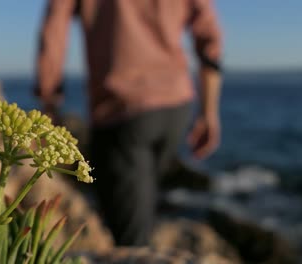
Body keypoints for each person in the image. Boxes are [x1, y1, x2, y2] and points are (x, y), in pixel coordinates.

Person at [35, 0, 222, 246]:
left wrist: (50, 102)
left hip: (121, 111)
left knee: (129, 237)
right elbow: (209, 36)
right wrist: (209, 112)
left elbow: (54, 30)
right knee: (143, 203)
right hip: (176, 106)